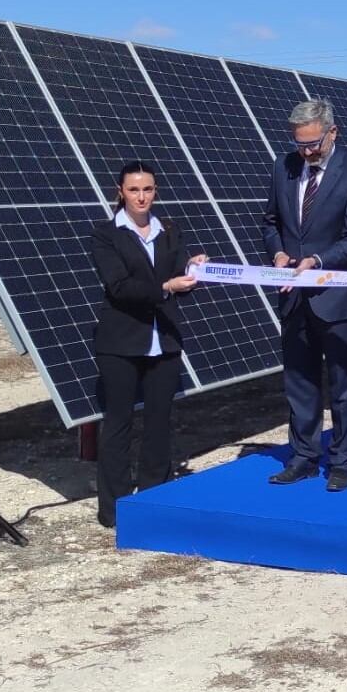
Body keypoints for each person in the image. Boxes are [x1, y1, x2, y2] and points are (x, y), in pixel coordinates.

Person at [260, 99, 347, 491]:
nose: (307, 151)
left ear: (332, 132)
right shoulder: (284, 167)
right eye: (300, 144)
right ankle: (304, 457)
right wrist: (277, 252)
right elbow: (271, 221)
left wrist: (316, 259)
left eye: (314, 144)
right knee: (299, 382)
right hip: (294, 297)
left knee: (345, 384)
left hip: (337, 299)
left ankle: (342, 461)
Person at [88, 161, 207, 528]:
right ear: (120, 192)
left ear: (156, 192)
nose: (142, 197)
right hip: (121, 342)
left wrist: (193, 271)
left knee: (159, 422)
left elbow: (178, 284)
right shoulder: (106, 234)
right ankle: (115, 509)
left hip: (164, 339)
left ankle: (154, 496)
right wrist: (166, 287)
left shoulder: (169, 230)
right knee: (119, 424)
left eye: (148, 189)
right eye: (134, 190)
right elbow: (119, 287)